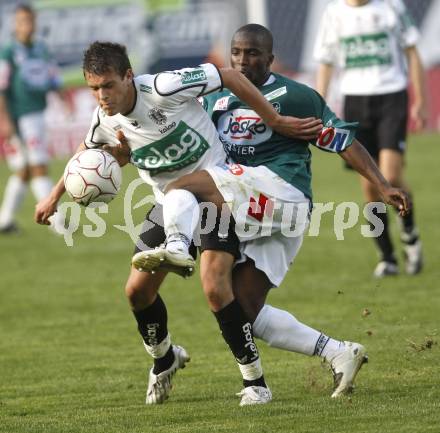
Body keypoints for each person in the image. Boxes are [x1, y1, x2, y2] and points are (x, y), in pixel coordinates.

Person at [35, 41, 324, 406]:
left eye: (108, 85)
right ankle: (165, 357)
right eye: (93, 88)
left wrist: (275, 119)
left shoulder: (163, 87)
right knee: (136, 292)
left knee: (216, 287)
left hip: (216, 191)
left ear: (128, 76)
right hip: (169, 204)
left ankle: (256, 383)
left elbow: (229, 75)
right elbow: (86, 151)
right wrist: (54, 195)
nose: (101, 96)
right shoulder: (103, 119)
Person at [132, 24, 410, 402]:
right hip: (245, 200)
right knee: (241, 310)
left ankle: (178, 246)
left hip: (282, 194)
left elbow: (342, 141)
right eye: (237, 53)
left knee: (182, 188)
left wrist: (381, 183)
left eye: (252, 53)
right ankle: (339, 352)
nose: (243, 61)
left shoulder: (294, 96)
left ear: (270, 59)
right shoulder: (216, 98)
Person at [314, 0, 425, 277]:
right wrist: (317, 105)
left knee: (390, 175)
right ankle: (387, 257)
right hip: (355, 101)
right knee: (369, 187)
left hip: (392, 96)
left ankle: (409, 233)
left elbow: (412, 52)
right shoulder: (334, 13)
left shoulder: (391, 7)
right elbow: (326, 63)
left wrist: (420, 99)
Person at [0, 4, 64, 234]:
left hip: (38, 113)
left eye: (30, 20)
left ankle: (4, 220)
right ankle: (58, 222)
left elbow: (52, 77)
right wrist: (4, 120)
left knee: (25, 169)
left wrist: (63, 98)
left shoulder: (41, 49)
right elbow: (2, 88)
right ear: (15, 24)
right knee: (39, 166)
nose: (27, 25)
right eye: (22, 21)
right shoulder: (8, 52)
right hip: (21, 118)